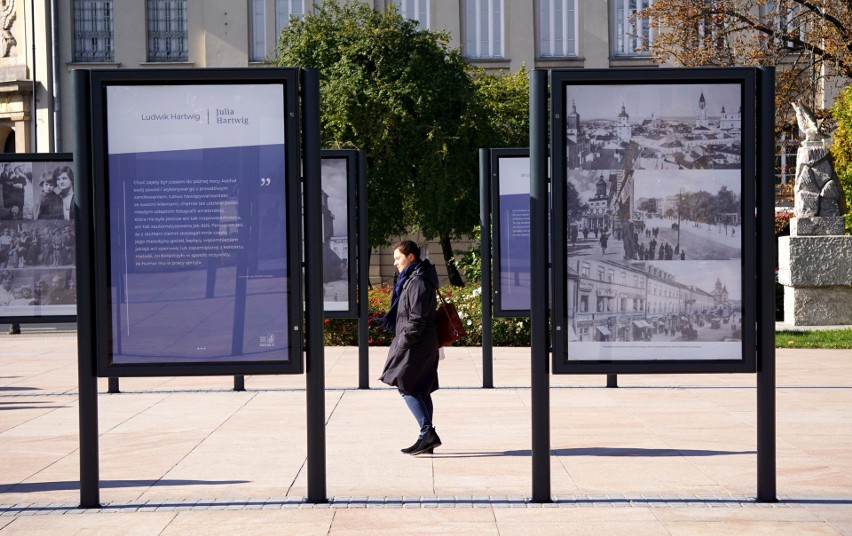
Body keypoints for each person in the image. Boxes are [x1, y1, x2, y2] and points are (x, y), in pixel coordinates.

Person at [377, 240, 442, 456]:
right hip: (419, 341)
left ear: (411, 257)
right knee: (421, 388)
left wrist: (403, 341)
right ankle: (426, 439)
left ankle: (427, 433)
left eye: (398, 258)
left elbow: (417, 318)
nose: (395, 263)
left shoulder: (419, 282)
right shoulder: (413, 279)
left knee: (406, 386)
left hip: (417, 343)